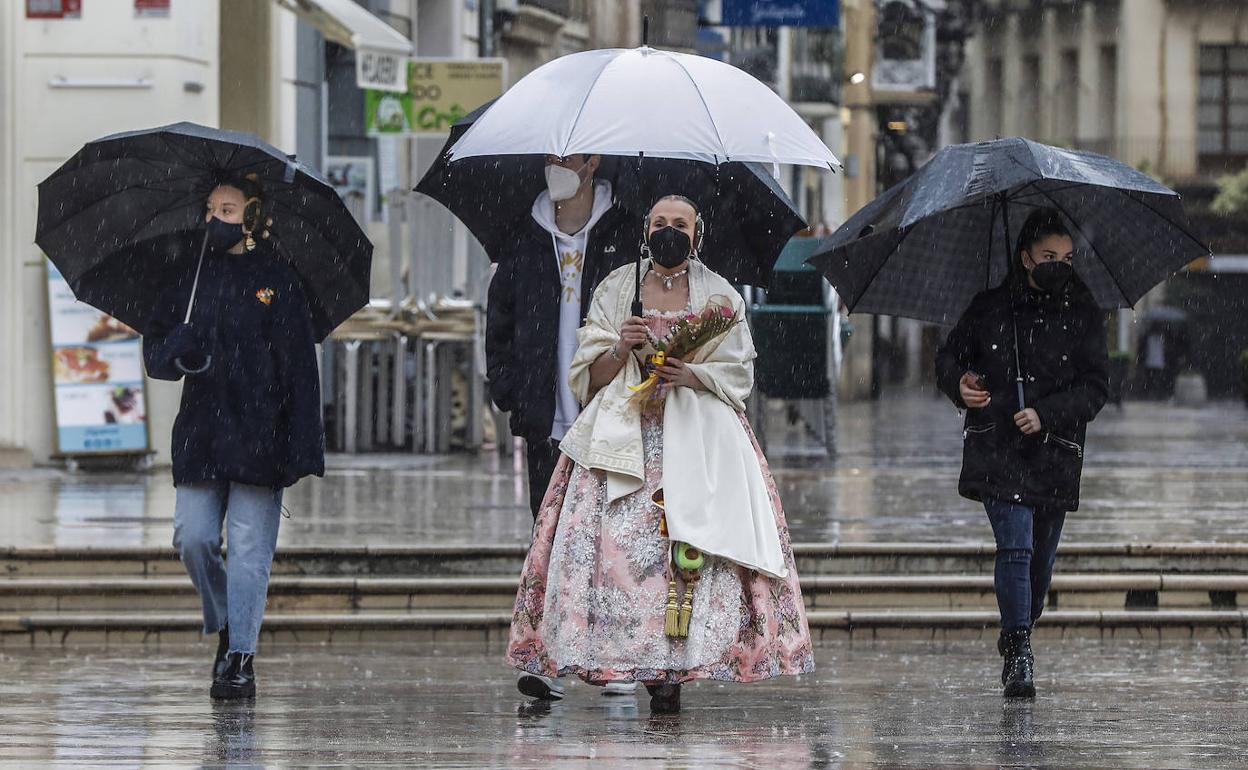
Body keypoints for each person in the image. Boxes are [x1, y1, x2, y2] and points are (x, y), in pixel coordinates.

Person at [507, 195, 814, 713]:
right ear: (645, 230)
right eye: (659, 223)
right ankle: (620, 653)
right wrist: (621, 349)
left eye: (680, 224)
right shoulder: (616, 287)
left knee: (686, 556)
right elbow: (588, 377)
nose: (669, 232)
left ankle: (676, 665)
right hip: (620, 441)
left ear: (697, 233)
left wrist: (691, 374)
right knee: (619, 557)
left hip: (697, 438)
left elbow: (740, 374)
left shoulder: (720, 295)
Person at [143, 177, 324, 700]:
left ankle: (240, 655)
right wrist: (172, 347)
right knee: (193, 537)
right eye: (210, 209)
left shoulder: (277, 280)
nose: (214, 218)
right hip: (201, 432)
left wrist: (301, 447)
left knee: (249, 549)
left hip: (261, 435)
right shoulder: (189, 275)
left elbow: (299, 370)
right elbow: (157, 355)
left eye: (226, 209)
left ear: (250, 215)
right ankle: (228, 619)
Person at [935, 206, 1109, 699]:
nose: (1059, 264)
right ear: (1026, 257)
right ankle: (1018, 652)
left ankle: (1019, 628)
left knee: (1041, 564)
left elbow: (1096, 386)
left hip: (1055, 453)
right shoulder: (990, 307)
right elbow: (949, 358)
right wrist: (960, 383)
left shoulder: (1083, 311)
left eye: (1068, 257)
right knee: (1015, 546)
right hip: (998, 448)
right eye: (1049, 255)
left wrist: (1047, 414)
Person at [486, 154, 635, 697]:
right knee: (546, 542)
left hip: (608, 420)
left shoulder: (624, 235)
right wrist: (508, 388)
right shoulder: (525, 239)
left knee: (609, 541)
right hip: (544, 420)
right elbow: (500, 316)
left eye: (566, 158)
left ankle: (613, 657)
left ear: (592, 163)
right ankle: (546, 658)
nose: (556, 167)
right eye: (549, 158)